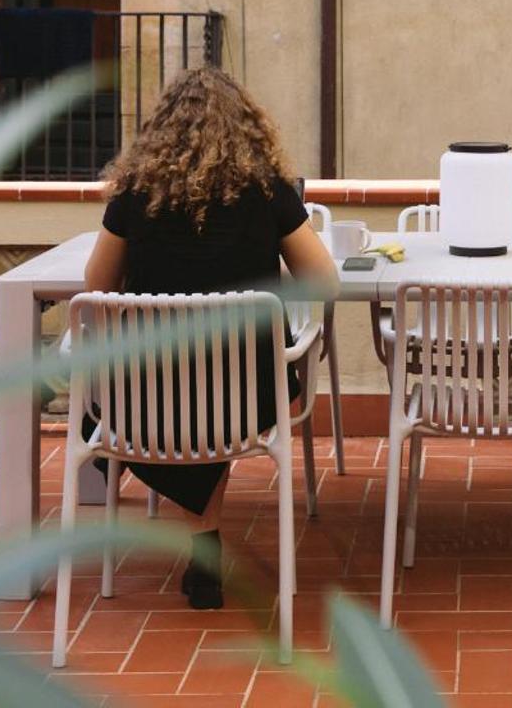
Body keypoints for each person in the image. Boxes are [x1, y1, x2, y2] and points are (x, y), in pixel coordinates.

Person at [82, 66, 337, 611]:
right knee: (223, 384)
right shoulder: (268, 190)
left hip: (146, 394)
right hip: (244, 396)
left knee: (186, 388)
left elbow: (96, 287)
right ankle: (203, 548)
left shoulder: (134, 195)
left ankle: (198, 540)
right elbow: (324, 281)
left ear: (160, 129)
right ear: (248, 127)